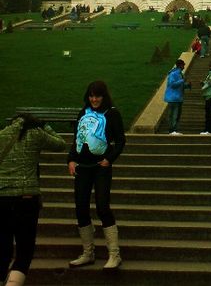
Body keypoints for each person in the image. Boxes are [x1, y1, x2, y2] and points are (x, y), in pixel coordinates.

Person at [0, 114, 65, 286]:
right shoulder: (36, 133)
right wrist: (46, 126)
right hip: (26, 199)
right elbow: (60, 144)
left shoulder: (2, 134)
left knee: (3, 250)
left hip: (2, 199)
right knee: (24, 251)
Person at [68, 81, 126, 270]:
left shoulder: (112, 113)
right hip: (82, 167)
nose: (94, 99)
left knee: (102, 206)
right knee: (81, 207)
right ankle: (88, 253)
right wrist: (71, 159)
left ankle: (114, 254)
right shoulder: (83, 112)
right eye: (91, 95)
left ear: (104, 96)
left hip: (101, 167)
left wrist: (110, 159)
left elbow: (120, 141)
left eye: (98, 96)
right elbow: (77, 137)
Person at [164, 59, 191, 134]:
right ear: (180, 65)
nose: (184, 66)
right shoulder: (173, 74)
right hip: (173, 98)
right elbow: (172, 84)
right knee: (174, 115)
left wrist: (187, 85)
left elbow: (179, 85)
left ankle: (174, 129)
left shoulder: (180, 74)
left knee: (177, 115)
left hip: (178, 97)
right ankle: (172, 129)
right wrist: (182, 81)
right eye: (183, 65)